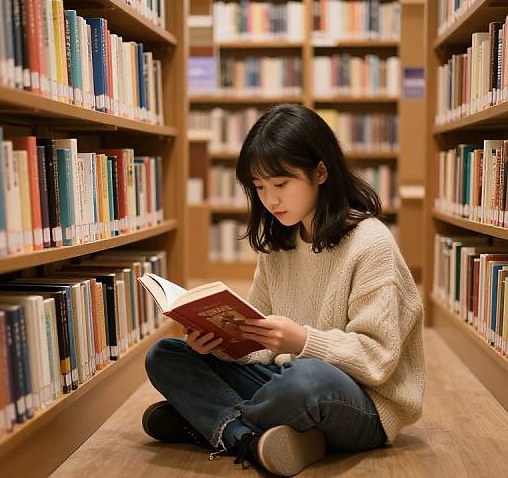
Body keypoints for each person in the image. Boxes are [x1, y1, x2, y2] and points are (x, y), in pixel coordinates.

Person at [143, 104, 425, 477]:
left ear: (320, 172)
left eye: (281, 184)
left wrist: (303, 341)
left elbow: (377, 359)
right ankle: (251, 438)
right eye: (259, 188)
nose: (270, 200)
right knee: (165, 354)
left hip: (359, 402)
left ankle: (210, 422)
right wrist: (221, 346)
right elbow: (258, 347)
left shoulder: (371, 243)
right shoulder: (280, 245)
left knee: (307, 379)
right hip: (282, 381)